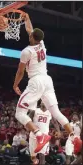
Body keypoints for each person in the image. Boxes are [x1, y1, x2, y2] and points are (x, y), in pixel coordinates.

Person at [13, 13, 82, 154]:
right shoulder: (42, 44)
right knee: (56, 112)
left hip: (36, 81)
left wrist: (15, 85)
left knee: (19, 113)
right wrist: (27, 18)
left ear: (32, 37)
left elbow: (20, 72)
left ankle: (39, 134)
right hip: (47, 80)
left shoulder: (26, 51)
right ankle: (75, 138)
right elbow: (30, 30)